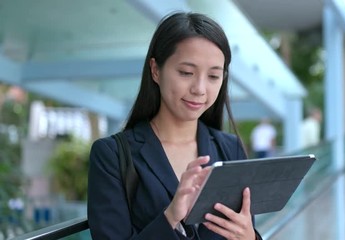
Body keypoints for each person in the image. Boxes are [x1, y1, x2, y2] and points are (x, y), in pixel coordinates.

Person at [87, 12, 262, 240]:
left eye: (213, 76)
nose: (199, 88)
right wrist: (170, 218)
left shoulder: (231, 149)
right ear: (156, 70)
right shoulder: (111, 155)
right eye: (186, 73)